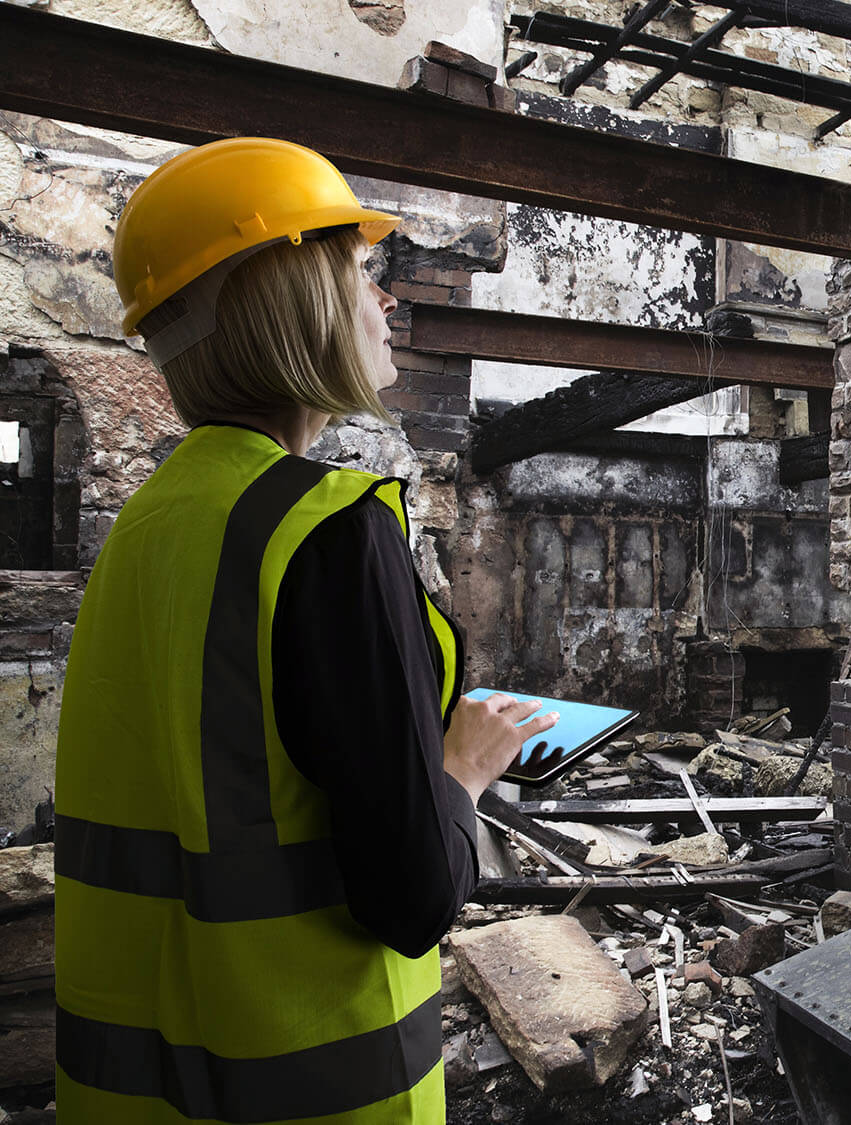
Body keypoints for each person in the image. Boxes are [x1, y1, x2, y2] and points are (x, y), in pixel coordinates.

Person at [53, 137, 557, 1122]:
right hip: (315, 1090)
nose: (387, 304)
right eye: (362, 273)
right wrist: (462, 769)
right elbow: (412, 898)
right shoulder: (327, 528)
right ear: (286, 299)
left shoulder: (147, 527)